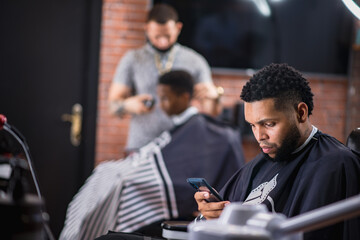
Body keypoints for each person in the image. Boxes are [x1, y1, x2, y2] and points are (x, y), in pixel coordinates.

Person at [60, 70, 244, 240]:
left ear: (184, 97)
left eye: (165, 98)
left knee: (121, 184)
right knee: (104, 172)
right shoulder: (182, 124)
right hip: (140, 167)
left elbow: (181, 165)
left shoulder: (200, 126)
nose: (161, 104)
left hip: (162, 181)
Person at [194, 63, 360, 240]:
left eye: (269, 124)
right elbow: (221, 222)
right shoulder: (258, 165)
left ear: (301, 113)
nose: (260, 136)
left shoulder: (337, 165)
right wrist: (209, 215)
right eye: (252, 125)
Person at [108, 3, 221, 153]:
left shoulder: (195, 61)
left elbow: (211, 112)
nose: (162, 41)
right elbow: (112, 106)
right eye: (157, 36)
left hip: (184, 145)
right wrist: (128, 105)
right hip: (141, 146)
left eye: (167, 35)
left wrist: (216, 95)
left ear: (178, 28)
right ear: (146, 29)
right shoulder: (132, 59)